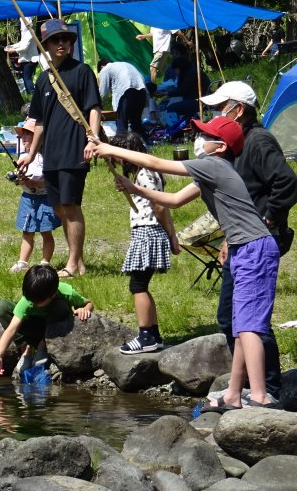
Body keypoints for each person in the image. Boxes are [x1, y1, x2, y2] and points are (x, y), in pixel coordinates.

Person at [91, 117, 279, 409]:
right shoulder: (212, 171)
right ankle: (233, 393)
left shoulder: (214, 166)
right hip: (243, 249)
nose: (199, 137)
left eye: (205, 134)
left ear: (220, 147)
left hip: (255, 248)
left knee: (250, 326)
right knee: (240, 325)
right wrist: (134, 188)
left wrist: (109, 149)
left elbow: (155, 162)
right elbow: (175, 199)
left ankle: (260, 397)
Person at [200, 81, 296, 401]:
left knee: (250, 319)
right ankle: (240, 388)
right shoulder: (237, 146)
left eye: (220, 108)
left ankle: (267, 388)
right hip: (241, 241)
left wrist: (266, 219)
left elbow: (287, 182)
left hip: (261, 240)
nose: (216, 115)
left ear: (238, 110)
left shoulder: (259, 141)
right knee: (230, 317)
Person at [17, 19, 101, 279]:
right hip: (50, 153)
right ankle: (78, 261)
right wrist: (31, 154)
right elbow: (39, 122)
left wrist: (92, 139)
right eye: (56, 40)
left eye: (65, 39)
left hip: (75, 148)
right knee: (59, 209)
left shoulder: (82, 72)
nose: (61, 43)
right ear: (46, 46)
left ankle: (73, 264)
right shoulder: (44, 79)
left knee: (71, 205)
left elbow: (93, 108)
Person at [109, 132, 179, 354]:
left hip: (148, 233)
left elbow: (159, 205)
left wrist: (171, 235)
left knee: (137, 286)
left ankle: (145, 336)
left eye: (119, 155)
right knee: (141, 285)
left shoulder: (146, 173)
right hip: (146, 232)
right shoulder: (142, 173)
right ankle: (154, 334)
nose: (117, 160)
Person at [0, 265, 93, 377]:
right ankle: (26, 349)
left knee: (60, 306)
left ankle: (42, 347)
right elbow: (11, 330)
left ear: (52, 294)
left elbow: (89, 303)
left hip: (52, 330)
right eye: (31, 300)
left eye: (37, 302)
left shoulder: (65, 291)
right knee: (2, 307)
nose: (33, 303)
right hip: (33, 329)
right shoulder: (28, 300)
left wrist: (84, 309)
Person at [9, 118, 60, 273]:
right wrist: (18, 179)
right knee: (27, 231)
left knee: (45, 231)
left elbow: (50, 180)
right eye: (22, 135)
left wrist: (34, 183)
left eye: (27, 135)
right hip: (28, 198)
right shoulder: (23, 157)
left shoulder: (47, 157)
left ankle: (45, 262)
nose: (23, 138)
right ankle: (22, 261)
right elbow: (20, 179)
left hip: (45, 198)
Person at [97, 58, 148, 138]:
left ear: (101, 67)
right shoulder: (122, 65)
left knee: (121, 122)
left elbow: (103, 92)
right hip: (142, 91)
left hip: (126, 91)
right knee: (136, 122)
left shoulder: (105, 69)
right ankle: (144, 145)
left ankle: (121, 145)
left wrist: (98, 106)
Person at [4, 16, 39, 94]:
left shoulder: (30, 32)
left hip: (30, 59)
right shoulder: (26, 33)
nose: (20, 28)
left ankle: (32, 94)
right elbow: (21, 43)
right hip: (26, 59)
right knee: (25, 77)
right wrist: (11, 46)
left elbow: (25, 47)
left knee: (27, 78)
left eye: (21, 25)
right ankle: (29, 94)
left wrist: (13, 50)